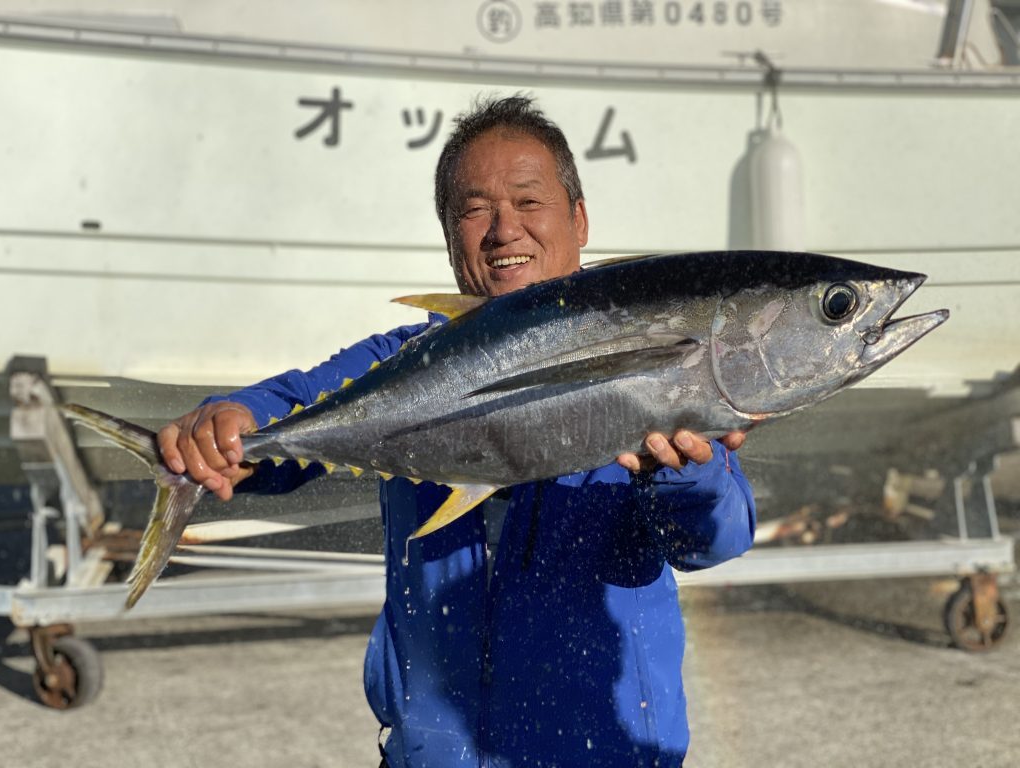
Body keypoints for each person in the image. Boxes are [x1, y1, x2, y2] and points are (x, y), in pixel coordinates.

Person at [157, 96, 755, 768]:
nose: (504, 230)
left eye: (529, 202)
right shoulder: (404, 359)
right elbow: (293, 403)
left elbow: (715, 538)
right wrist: (229, 422)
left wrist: (685, 471)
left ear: (579, 220)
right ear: (450, 235)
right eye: (475, 210)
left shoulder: (652, 349)